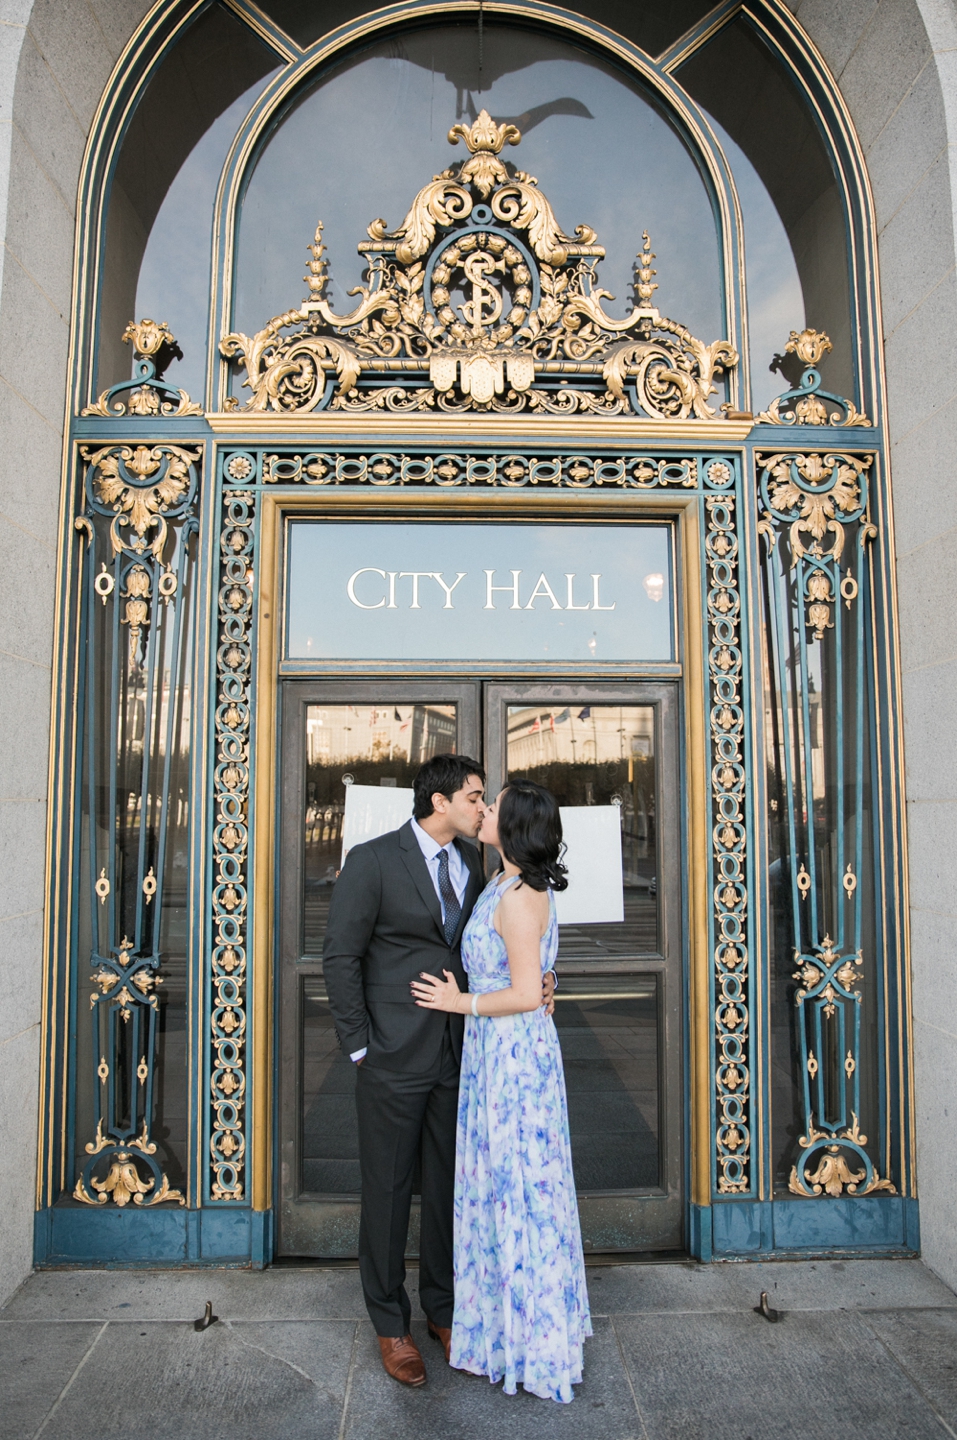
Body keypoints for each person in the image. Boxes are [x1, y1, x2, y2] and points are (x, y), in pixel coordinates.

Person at [323, 754, 556, 1388]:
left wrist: (542, 980)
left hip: (465, 1056)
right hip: (393, 1060)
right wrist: (360, 1048)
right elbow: (340, 956)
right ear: (440, 803)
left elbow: (503, 948)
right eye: (475, 797)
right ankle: (390, 1323)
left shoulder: (479, 866)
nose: (483, 808)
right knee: (390, 1192)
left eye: (487, 800)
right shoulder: (372, 861)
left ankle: (445, 1310)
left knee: (451, 1191)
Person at [411, 779, 591, 1404]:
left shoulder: (517, 896)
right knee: (502, 1188)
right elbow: (534, 972)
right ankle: (501, 1332)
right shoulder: (504, 883)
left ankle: (528, 1342)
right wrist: (546, 979)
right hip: (501, 1055)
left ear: (512, 825)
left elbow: (519, 992)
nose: (483, 811)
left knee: (518, 1191)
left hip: (512, 1060)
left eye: (493, 806)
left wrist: (459, 1000)